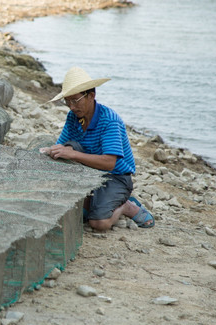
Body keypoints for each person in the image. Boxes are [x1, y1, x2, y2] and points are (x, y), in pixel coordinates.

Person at [41, 66, 155, 231]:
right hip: (89, 171)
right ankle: (93, 200)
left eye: (75, 101)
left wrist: (73, 154)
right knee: (67, 149)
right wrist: (51, 151)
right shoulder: (73, 117)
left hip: (116, 176)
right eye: (67, 101)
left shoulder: (109, 120)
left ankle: (126, 206)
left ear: (91, 96)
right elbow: (63, 146)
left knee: (98, 223)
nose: (72, 107)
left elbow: (109, 163)